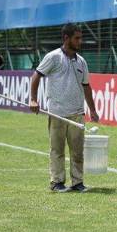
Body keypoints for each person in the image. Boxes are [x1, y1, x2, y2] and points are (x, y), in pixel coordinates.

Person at [30, 23, 99, 193]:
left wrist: (93, 109)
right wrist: (33, 99)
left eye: (81, 38)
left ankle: (78, 182)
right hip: (57, 113)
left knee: (77, 151)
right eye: (77, 38)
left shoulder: (81, 61)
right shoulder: (53, 57)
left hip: (77, 113)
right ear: (66, 38)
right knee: (57, 150)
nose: (80, 41)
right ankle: (57, 182)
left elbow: (86, 86)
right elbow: (36, 76)